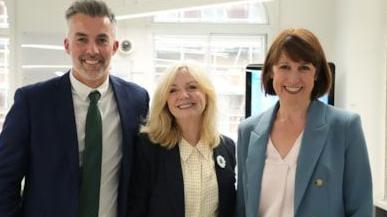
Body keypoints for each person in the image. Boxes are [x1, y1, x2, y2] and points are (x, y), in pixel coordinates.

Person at [0, 1, 149, 217]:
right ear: (67, 45)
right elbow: (4, 178)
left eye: (102, 40)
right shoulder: (32, 102)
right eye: (81, 39)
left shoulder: (136, 99)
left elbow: (142, 174)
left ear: (115, 47)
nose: (92, 50)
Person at [236, 28, 373, 217]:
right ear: (270, 72)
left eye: (304, 67)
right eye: (284, 67)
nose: (294, 78)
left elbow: (361, 208)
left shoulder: (345, 127)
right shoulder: (248, 131)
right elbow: (243, 208)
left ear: (316, 74)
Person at [128, 62, 236, 217]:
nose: (183, 95)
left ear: (207, 94)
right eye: (173, 90)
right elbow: (136, 209)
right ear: (165, 100)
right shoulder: (148, 147)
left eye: (192, 87)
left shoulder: (226, 147)